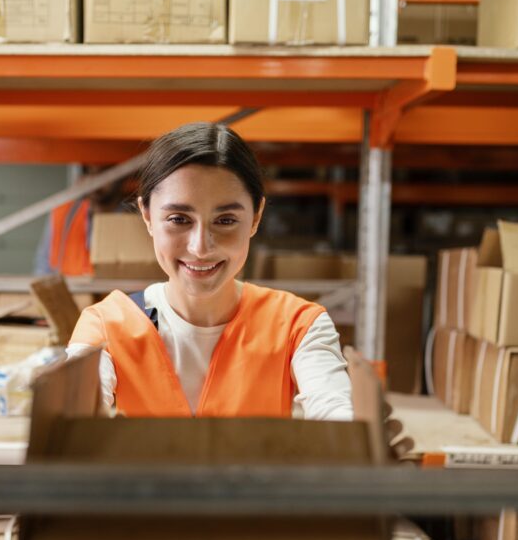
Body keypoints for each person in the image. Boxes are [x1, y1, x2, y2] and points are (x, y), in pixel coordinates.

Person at [67, 122, 353, 420]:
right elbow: (75, 415)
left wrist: (360, 438)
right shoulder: (105, 326)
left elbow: (334, 409)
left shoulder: (298, 326)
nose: (200, 247)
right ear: (148, 216)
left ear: (256, 218)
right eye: (179, 219)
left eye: (226, 220)